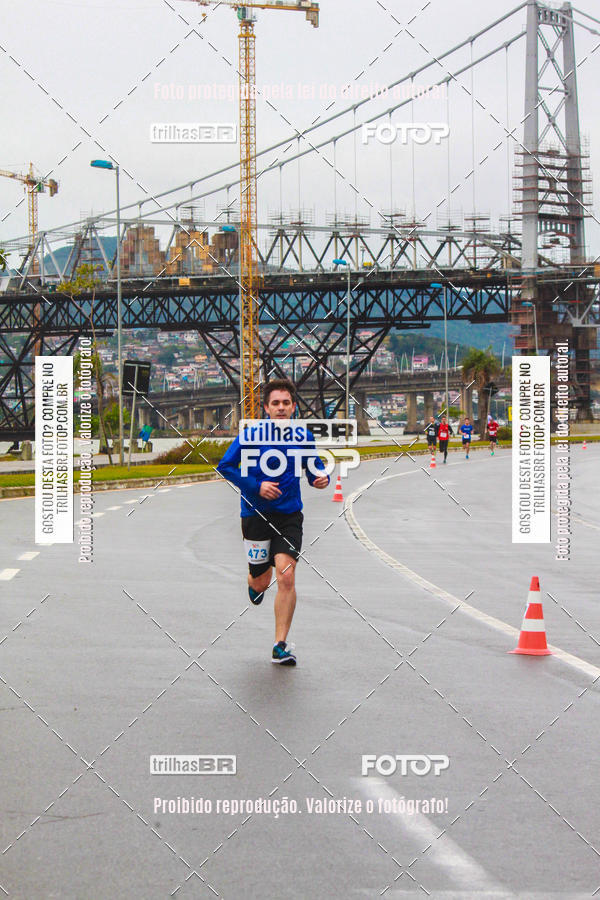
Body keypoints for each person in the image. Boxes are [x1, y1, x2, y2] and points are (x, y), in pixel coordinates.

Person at [217, 379, 329, 666]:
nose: (281, 408)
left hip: (289, 515)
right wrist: (257, 486)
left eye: (286, 403)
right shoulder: (251, 435)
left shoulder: (302, 437)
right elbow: (225, 466)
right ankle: (254, 583)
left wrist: (320, 479)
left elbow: (313, 467)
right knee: (262, 580)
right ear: (266, 408)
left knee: (286, 575)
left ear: (293, 407)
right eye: (275, 403)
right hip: (255, 514)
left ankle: (280, 645)